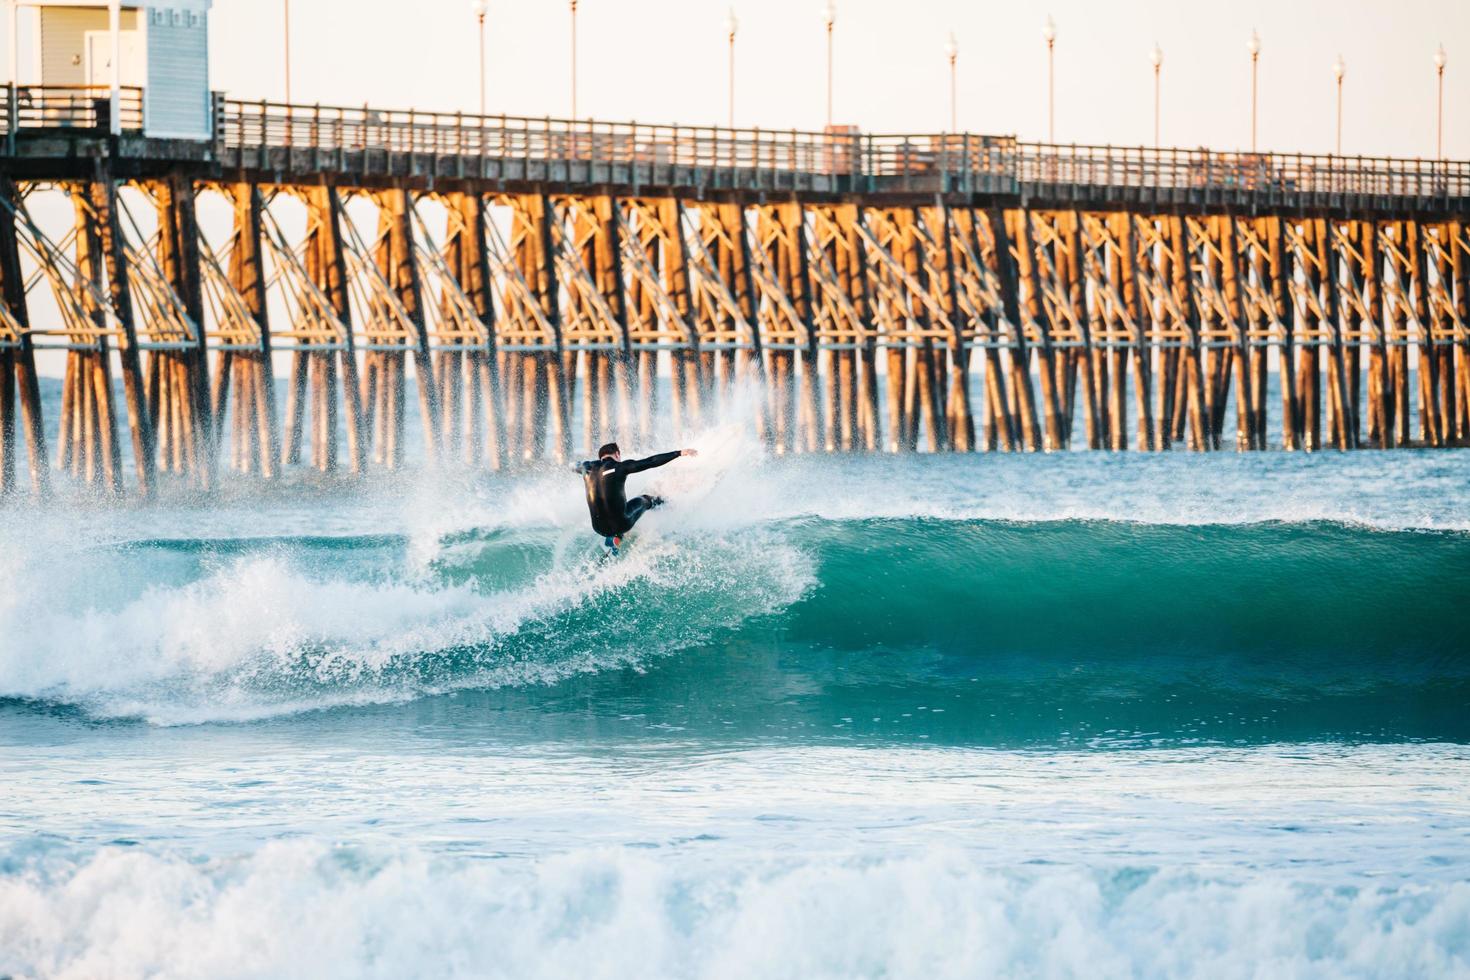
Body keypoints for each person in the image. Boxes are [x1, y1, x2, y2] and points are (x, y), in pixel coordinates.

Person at [575, 442, 698, 552]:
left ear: (601, 457)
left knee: (616, 508)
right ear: (617, 454)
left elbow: (575, 466)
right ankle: (668, 503)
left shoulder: (587, 468)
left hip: (598, 528)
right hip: (622, 524)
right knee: (645, 499)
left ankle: (615, 538)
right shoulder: (620, 467)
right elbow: (651, 461)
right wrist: (679, 453)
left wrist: (577, 466)